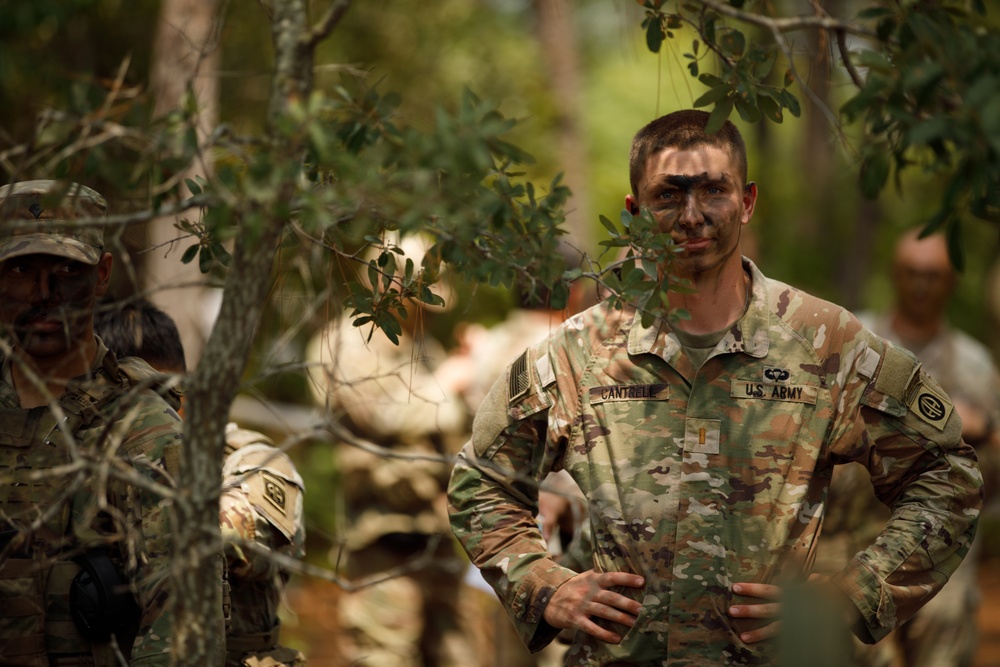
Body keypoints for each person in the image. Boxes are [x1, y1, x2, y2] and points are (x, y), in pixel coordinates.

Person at [447, 110, 984, 666]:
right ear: (635, 213)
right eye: (669, 194)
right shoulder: (579, 353)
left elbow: (948, 474)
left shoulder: (826, 344)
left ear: (747, 201)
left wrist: (855, 593)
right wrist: (543, 583)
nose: (692, 214)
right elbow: (481, 478)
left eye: (714, 190)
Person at [0, 180, 186, 665]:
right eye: (21, 269)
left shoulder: (143, 429)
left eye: (67, 270)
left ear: (102, 275)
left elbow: (182, 625)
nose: (44, 294)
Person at [814, 228, 1000, 667]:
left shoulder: (975, 366)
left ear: (950, 282)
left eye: (933, 275)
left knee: (944, 625)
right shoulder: (855, 341)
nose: (920, 284)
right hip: (847, 543)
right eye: (912, 272)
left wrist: (982, 428)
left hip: (938, 546)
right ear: (894, 274)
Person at [93, 297, 308, 667]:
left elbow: (239, 535)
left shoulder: (249, 458)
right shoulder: (84, 458)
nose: (148, 416)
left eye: (158, 398)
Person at [305, 235, 477, 667]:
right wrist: (451, 389)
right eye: (419, 301)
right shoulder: (343, 345)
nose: (424, 316)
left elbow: (459, 432)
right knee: (383, 655)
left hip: (435, 531)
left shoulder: (425, 349)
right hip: (380, 536)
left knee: (458, 654)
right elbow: (381, 415)